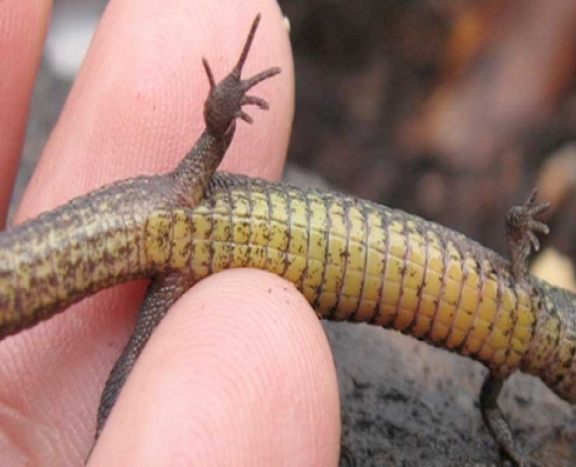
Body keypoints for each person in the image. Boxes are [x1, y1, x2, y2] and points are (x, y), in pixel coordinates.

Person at [0, 1, 340, 465]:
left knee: (128, 379)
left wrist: (222, 110)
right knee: (127, 380)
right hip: (166, 237)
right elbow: (217, 133)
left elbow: (216, 134)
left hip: (168, 236)